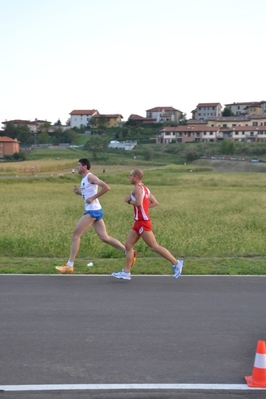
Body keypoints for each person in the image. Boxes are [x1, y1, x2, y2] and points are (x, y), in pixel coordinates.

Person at [56, 158, 136, 273]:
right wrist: (79, 192)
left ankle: (69, 265)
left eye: (79, 165)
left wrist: (93, 198)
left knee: (75, 235)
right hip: (95, 210)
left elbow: (106, 187)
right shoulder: (84, 179)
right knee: (105, 238)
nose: (77, 167)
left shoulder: (90, 177)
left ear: (84, 167)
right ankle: (128, 252)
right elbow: (88, 193)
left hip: (92, 211)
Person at [111, 169, 183, 281]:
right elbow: (155, 203)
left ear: (136, 177)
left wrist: (128, 201)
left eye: (130, 176)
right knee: (128, 246)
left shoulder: (137, 188)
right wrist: (143, 208)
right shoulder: (145, 188)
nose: (129, 178)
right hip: (138, 221)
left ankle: (176, 262)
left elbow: (139, 203)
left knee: (154, 246)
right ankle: (126, 272)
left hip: (143, 222)